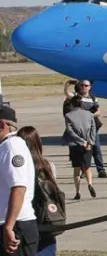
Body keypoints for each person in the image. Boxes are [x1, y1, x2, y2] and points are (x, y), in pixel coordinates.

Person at [0, 107, 38, 256]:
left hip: (16, 225)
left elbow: (18, 188)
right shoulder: (5, 146)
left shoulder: (12, 146)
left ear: (2, 125)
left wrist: (9, 227)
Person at [16, 128, 57, 256]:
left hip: (24, 215)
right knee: (47, 246)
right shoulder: (48, 165)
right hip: (45, 214)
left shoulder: (19, 165)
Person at [63, 95, 97, 200]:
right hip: (88, 144)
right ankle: (90, 183)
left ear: (72, 104)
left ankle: (78, 192)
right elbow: (93, 129)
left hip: (75, 145)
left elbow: (70, 131)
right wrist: (90, 142)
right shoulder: (89, 114)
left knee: (76, 169)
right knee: (87, 166)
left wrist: (81, 142)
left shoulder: (68, 116)